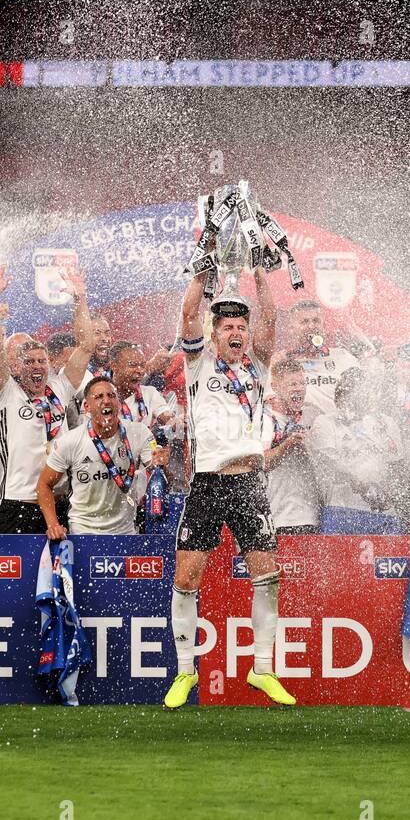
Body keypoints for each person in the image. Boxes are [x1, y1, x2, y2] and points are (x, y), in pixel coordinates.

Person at [166, 264, 296, 709]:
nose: (237, 332)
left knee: (268, 578)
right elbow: (187, 313)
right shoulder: (198, 364)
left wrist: (261, 273)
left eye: (242, 326)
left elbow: (273, 319)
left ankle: (262, 670)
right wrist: (202, 269)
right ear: (215, 333)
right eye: (228, 327)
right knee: (187, 579)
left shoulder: (257, 367)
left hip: (250, 483)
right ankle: (185, 673)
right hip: (206, 483)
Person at [0, 263, 93, 534]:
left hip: (61, 503)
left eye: (42, 361)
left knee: (65, 576)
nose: (37, 366)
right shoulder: (5, 393)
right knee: (0, 575)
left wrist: (79, 298)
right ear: (16, 368)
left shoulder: (59, 388)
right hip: (16, 503)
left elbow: (86, 345)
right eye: (29, 361)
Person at [38, 376, 167, 536]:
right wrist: (53, 525)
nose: (106, 401)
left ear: (118, 403)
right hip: (83, 532)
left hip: (126, 532)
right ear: (87, 406)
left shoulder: (139, 432)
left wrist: (161, 463)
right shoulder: (70, 441)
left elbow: (157, 471)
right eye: (99, 397)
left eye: (111, 396)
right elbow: (44, 485)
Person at [307, 368, 409, 534]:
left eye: (363, 391)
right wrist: (363, 485)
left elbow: (397, 467)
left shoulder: (386, 423)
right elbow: (328, 466)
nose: (357, 399)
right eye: (348, 392)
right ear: (340, 396)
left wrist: (391, 493)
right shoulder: (325, 422)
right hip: (342, 511)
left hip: (384, 512)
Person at [261, 357, 320, 535]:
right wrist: (287, 445)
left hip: (313, 517)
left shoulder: (312, 415)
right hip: (280, 518)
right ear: (275, 387)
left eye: (302, 383)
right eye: (292, 384)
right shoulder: (264, 419)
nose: (299, 388)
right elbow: (261, 462)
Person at [283, 298, 361, 419]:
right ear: (292, 328)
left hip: (340, 430)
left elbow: (364, 393)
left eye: (316, 321)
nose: (311, 326)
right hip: (301, 431)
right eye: (304, 322)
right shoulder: (284, 362)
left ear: (323, 326)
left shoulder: (343, 357)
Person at [109, 340, 176, 429]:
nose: (140, 371)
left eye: (142, 365)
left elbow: (168, 418)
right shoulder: (99, 395)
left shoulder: (150, 394)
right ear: (114, 366)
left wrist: (177, 422)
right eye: (133, 365)